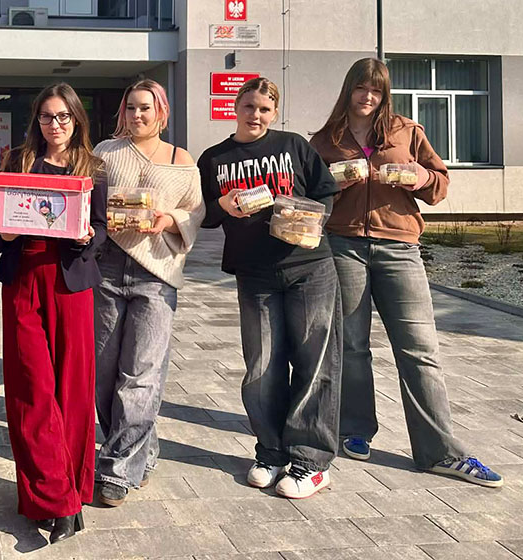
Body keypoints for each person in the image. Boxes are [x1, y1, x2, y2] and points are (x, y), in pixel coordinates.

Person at [310, 58, 503, 487]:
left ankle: (440, 452)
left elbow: (440, 184)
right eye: (361, 87)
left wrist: (418, 177)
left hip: (400, 248)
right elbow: (308, 194)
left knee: (419, 349)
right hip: (343, 247)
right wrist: (332, 183)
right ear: (349, 89)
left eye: (376, 90)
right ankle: (354, 429)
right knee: (352, 346)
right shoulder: (325, 139)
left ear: (385, 94)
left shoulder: (406, 131)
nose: (368, 96)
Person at [197, 77, 341, 500]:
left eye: (264, 109)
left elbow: (325, 191)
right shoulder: (215, 158)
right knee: (262, 367)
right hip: (254, 273)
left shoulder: (293, 145)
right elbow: (203, 213)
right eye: (249, 107)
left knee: (315, 362)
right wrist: (221, 206)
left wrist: (310, 221)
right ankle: (271, 452)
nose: (255, 115)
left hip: (309, 267)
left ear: (274, 112)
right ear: (235, 108)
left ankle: (312, 460)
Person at [0, 82, 106, 544]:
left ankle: (72, 490)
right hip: (24, 279)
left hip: (70, 285)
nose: (54, 124)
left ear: (76, 119)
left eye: (62, 116)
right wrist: (7, 231)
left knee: (73, 393)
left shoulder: (93, 168)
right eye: (46, 116)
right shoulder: (16, 161)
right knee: (31, 390)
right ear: (36, 120)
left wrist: (87, 238)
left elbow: (100, 229)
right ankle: (56, 499)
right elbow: (2, 228)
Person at [92, 80, 204, 507]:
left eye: (146, 108)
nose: (137, 115)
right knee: (104, 373)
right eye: (131, 108)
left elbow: (195, 209)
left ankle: (117, 468)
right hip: (106, 268)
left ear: (162, 112)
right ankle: (142, 449)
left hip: (156, 273)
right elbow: (89, 200)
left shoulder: (180, 159)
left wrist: (170, 219)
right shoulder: (105, 152)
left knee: (140, 374)